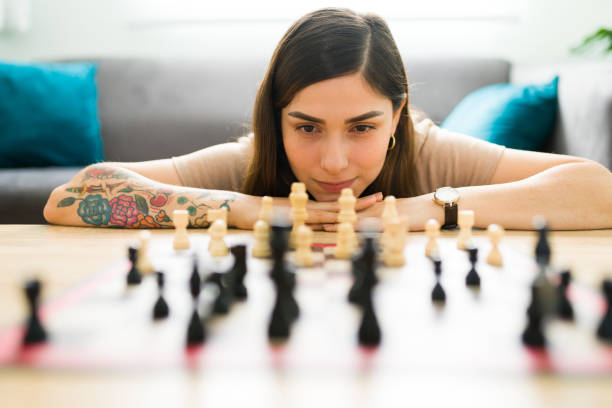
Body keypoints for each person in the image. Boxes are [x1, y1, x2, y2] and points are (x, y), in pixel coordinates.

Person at [44, 8, 612, 231]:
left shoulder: (432, 154)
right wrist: (244, 208)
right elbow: (73, 194)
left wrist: (414, 211)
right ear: (277, 121)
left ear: (397, 117)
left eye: (363, 127)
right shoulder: (249, 163)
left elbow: (598, 189)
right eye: (307, 127)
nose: (333, 161)